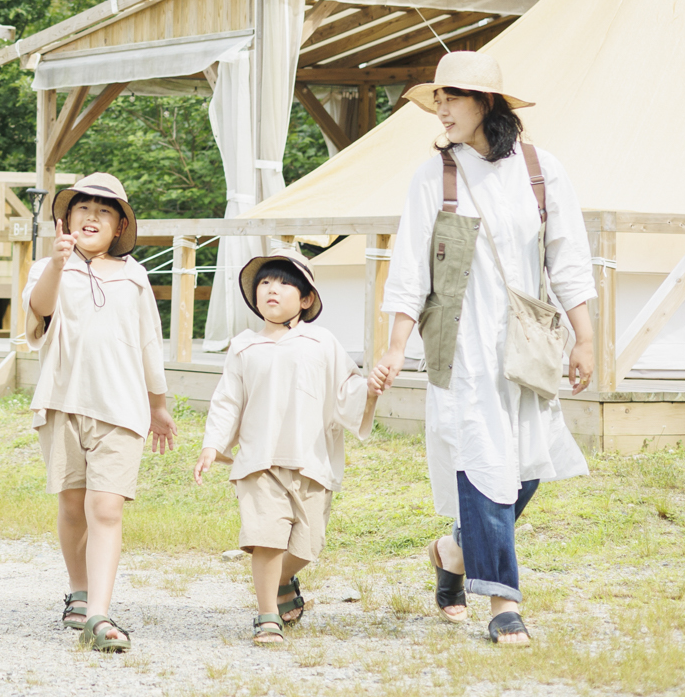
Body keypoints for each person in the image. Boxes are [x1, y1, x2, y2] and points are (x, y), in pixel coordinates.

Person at [367, 51, 596, 646]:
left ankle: (453, 551)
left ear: (486, 103)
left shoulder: (542, 171)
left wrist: (586, 336)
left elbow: (567, 258)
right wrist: (395, 345)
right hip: (462, 345)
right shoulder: (435, 176)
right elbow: (410, 265)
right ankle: (502, 604)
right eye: (437, 97)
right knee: (484, 461)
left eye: (452, 97)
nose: (439, 109)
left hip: (525, 341)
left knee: (529, 464)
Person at [22, 173, 177, 653]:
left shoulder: (133, 276)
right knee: (72, 505)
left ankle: (99, 615)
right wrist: (56, 262)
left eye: (105, 211)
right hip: (63, 401)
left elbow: (150, 341)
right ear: (66, 220)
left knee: (105, 507)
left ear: (119, 228)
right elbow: (39, 313)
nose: (92, 215)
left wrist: (159, 404)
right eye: (83, 207)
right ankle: (79, 590)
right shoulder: (48, 267)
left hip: (122, 407)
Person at [194, 252, 366, 646]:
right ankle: (266, 614)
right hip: (259, 460)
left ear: (306, 299)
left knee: (308, 546)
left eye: (285, 283)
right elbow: (228, 401)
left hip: (310, 460)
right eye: (265, 282)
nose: (272, 288)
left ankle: (285, 578)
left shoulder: (322, 341)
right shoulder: (243, 346)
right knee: (266, 538)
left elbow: (347, 391)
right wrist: (212, 443)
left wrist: (369, 390)